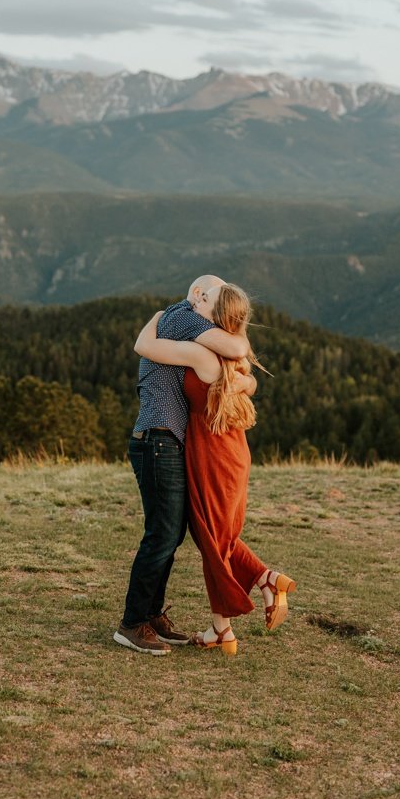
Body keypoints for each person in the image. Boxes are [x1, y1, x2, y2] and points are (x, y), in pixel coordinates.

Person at [135, 283, 294, 655]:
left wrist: (157, 318)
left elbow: (145, 346)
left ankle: (249, 598)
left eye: (205, 300)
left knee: (211, 533)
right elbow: (246, 374)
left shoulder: (201, 354)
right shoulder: (232, 359)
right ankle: (235, 613)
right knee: (212, 532)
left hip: (213, 451)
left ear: (218, 318)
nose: (195, 301)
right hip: (228, 448)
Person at [114, 275, 250, 656]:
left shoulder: (172, 320)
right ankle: (132, 623)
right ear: (197, 297)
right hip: (157, 439)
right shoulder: (187, 318)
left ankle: (151, 615)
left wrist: (245, 383)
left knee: (169, 534)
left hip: (163, 440)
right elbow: (237, 347)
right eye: (210, 301)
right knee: (162, 534)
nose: (215, 319)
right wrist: (244, 381)